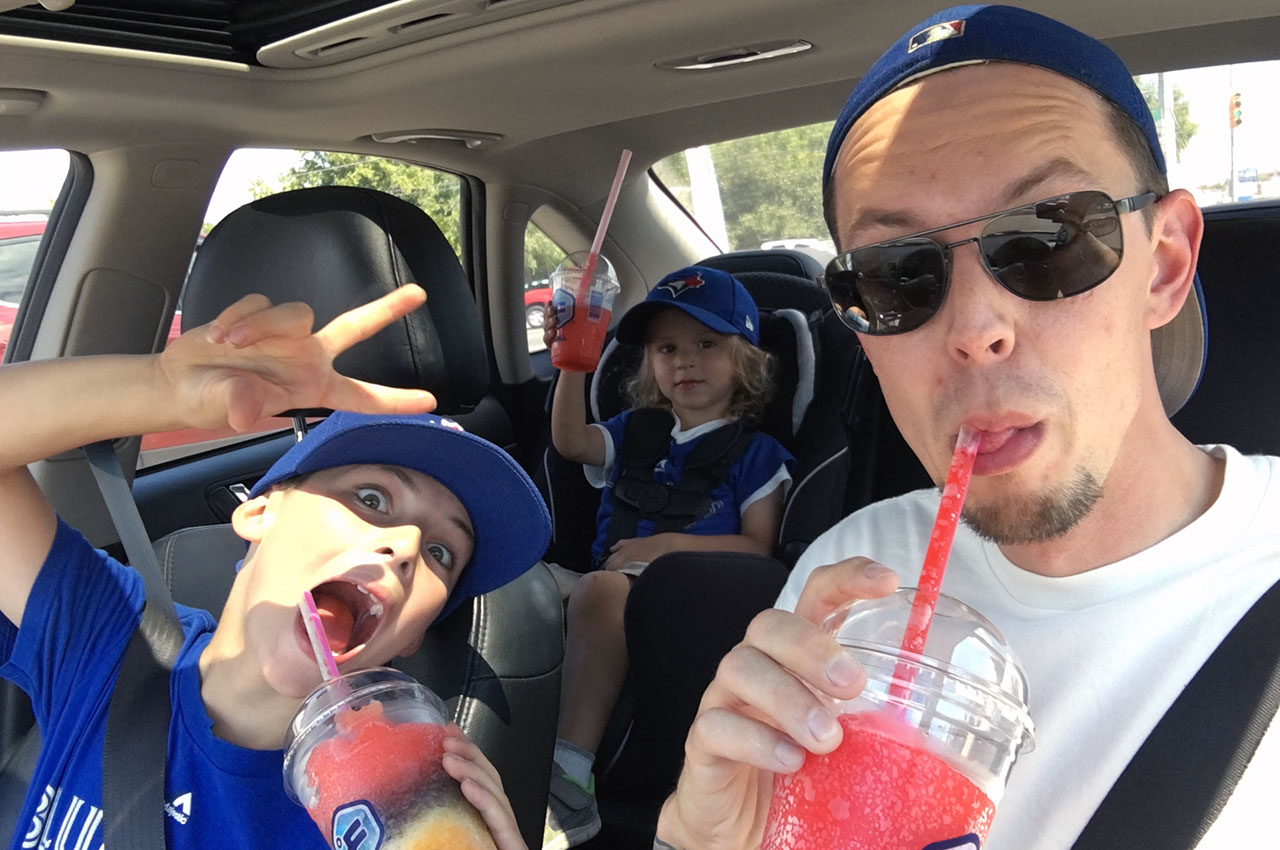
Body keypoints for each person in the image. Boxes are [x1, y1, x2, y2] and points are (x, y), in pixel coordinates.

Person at [653, 6, 1280, 850]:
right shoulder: (855, 575)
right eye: (894, 275)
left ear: (1164, 265)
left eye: (1046, 239)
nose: (975, 327)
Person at [0, 284, 551, 849]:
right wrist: (162, 390)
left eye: (442, 554)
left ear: (413, 634)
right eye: (372, 499)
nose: (407, 546)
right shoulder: (112, 644)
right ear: (260, 511)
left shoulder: (395, 814)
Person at [542, 266, 794, 849]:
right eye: (666, 349)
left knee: (600, 592)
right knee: (516, 586)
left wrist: (663, 547)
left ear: (746, 359)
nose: (684, 362)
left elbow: (760, 547)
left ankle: (568, 772)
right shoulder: (636, 431)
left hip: (689, 598)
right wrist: (572, 364)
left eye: (706, 345)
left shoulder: (757, 455)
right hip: (601, 580)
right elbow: (571, 441)